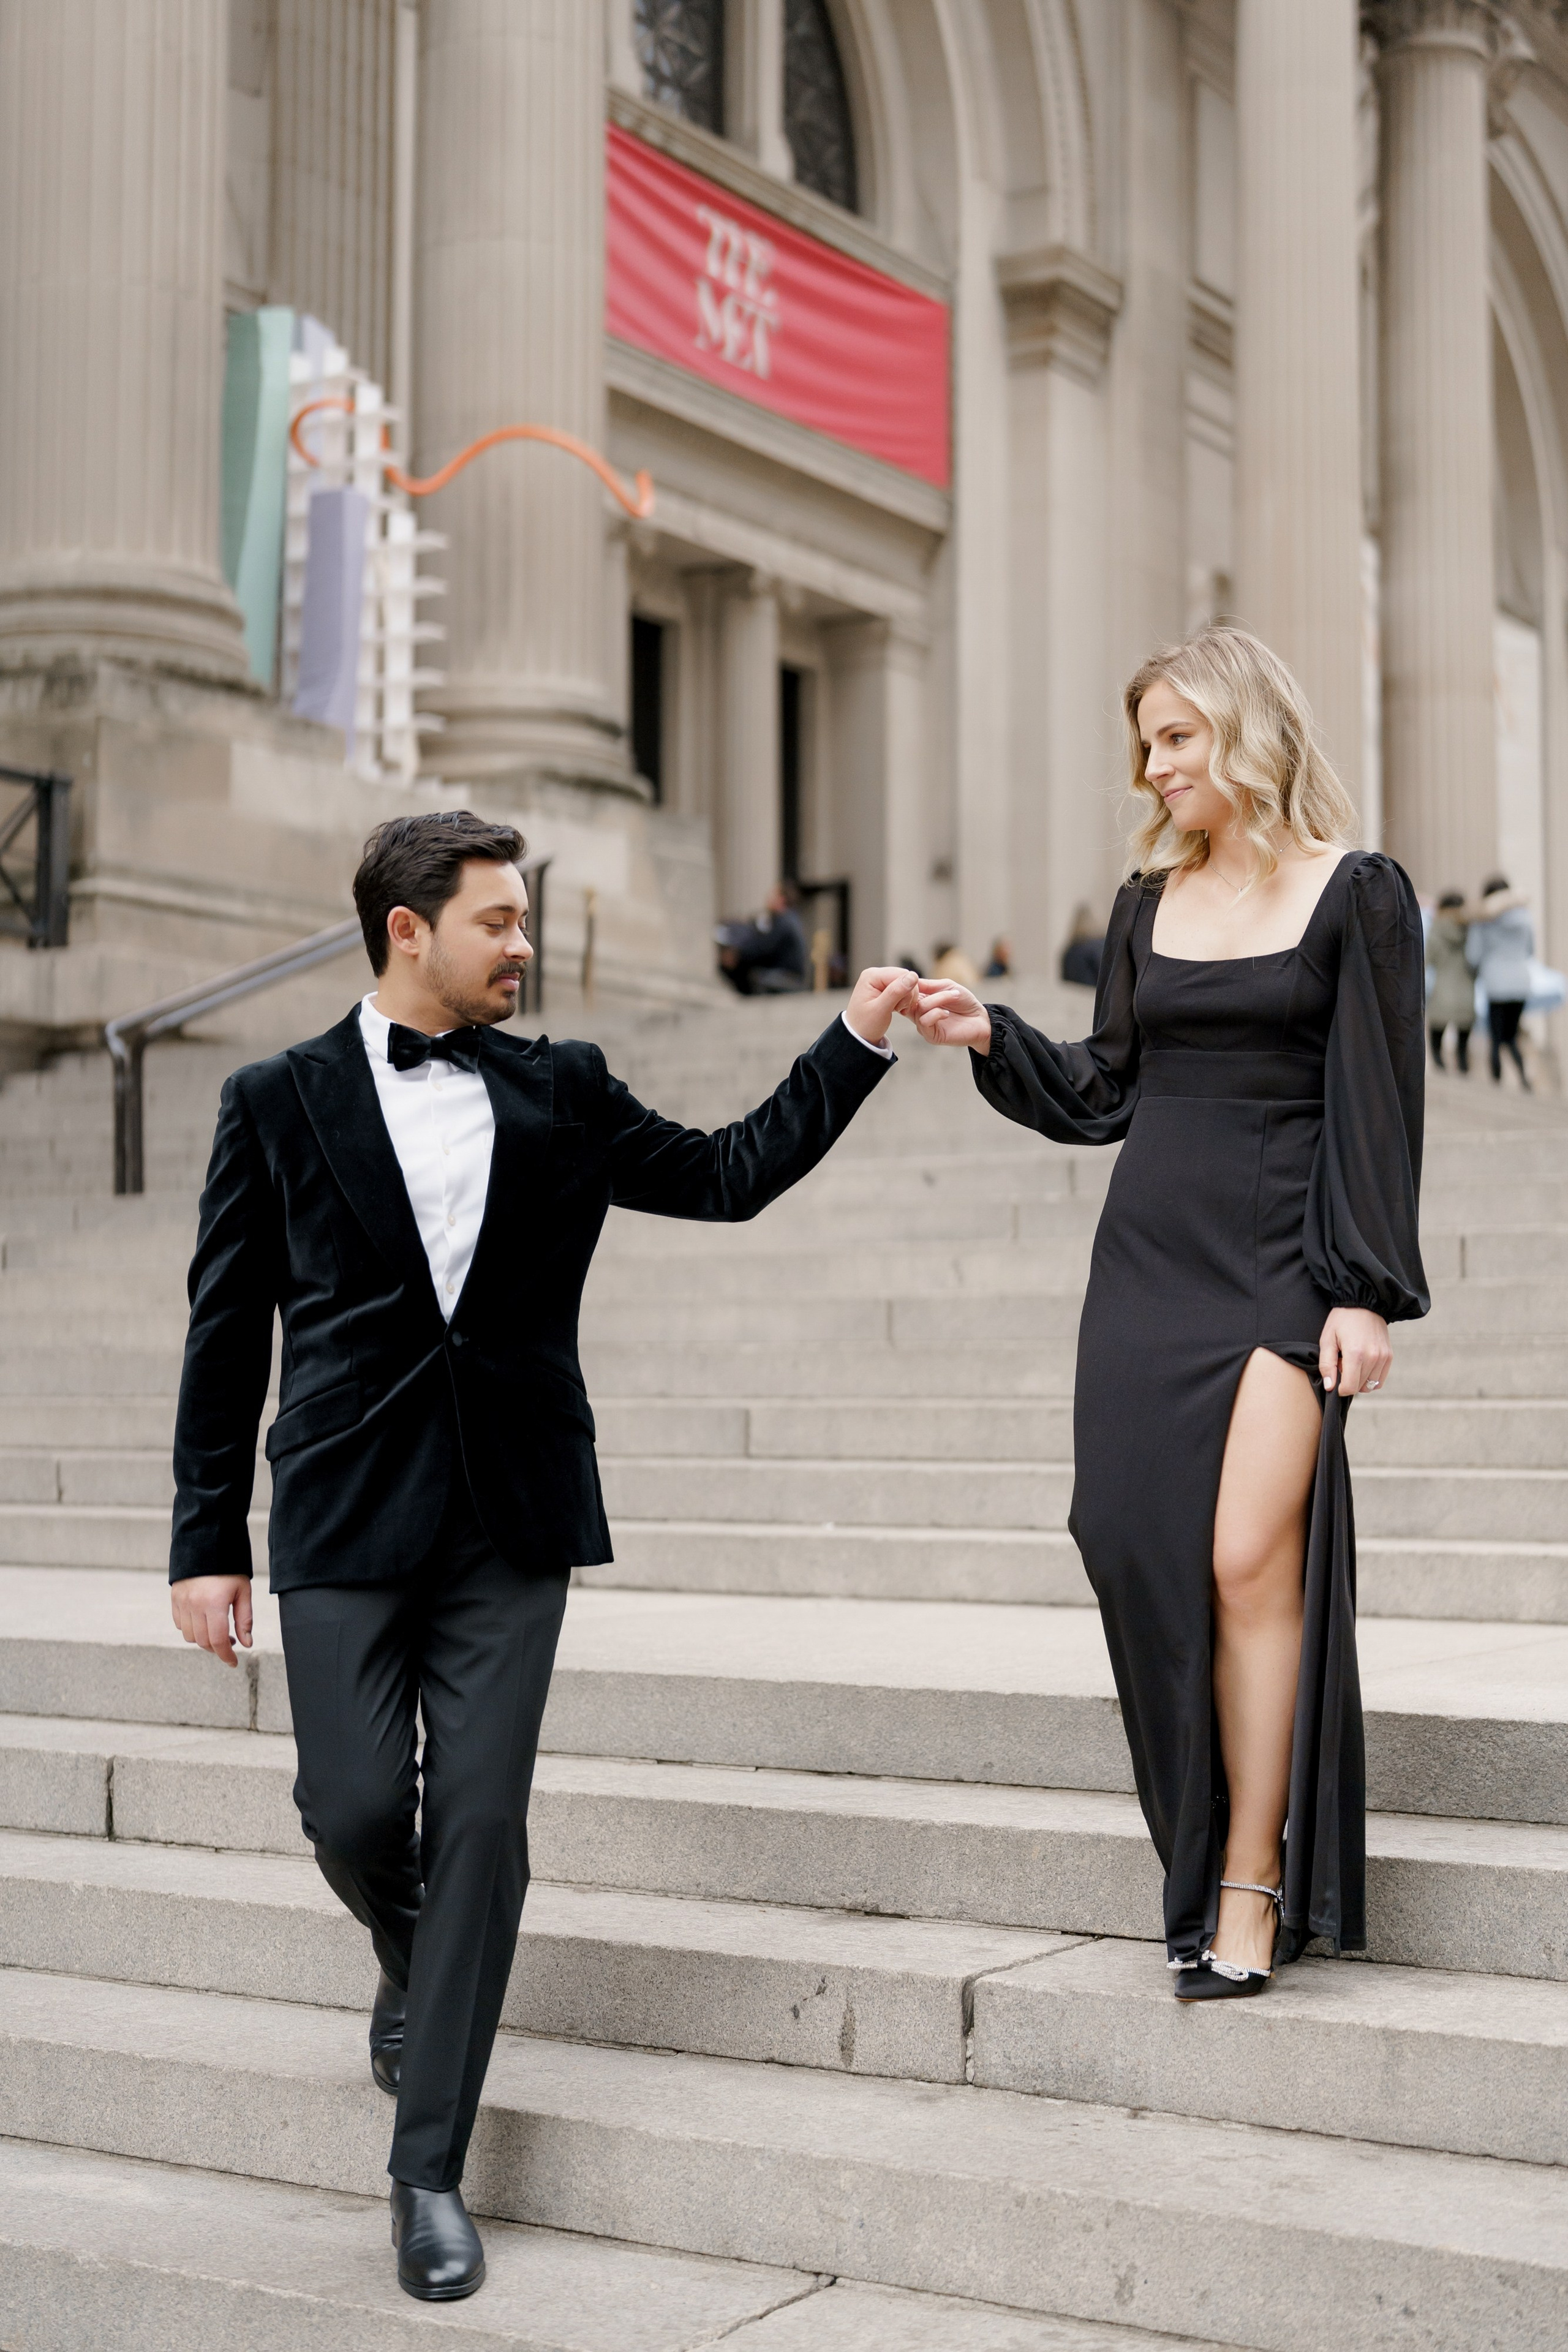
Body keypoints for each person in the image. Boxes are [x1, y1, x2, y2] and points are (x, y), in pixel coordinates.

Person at [168, 810, 913, 2302]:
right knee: (352, 1805)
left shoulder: (560, 1088)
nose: (521, 944)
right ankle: (413, 1958)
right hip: (338, 1509)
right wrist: (204, 1533)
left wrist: (854, 1038)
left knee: (485, 1825)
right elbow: (221, 1326)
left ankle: (425, 2168)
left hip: (510, 1514)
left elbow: (726, 1173)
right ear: (407, 931)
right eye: (496, 922)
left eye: (521, 919)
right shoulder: (273, 1098)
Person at [910, 625, 1427, 1999]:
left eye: (1174, 738)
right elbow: (1106, 1087)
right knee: (1123, 1536)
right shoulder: (1147, 905)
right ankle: (1194, 1838)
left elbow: (1377, 1105)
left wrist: (1363, 1290)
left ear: (1244, 729)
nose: (1151, 767)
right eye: (1143, 743)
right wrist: (992, 1036)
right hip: (1148, 1255)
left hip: (1282, 1261)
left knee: (1247, 1557)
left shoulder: (1356, 894)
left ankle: (1248, 1884)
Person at [1468, 873, 1535, 1090]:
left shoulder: (1484, 921)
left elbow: (1473, 955)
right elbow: (1530, 950)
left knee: (1496, 1038)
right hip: (1522, 983)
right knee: (1512, 1035)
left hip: (1496, 984)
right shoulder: (1525, 917)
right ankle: (1524, 1079)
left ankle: (1496, 1084)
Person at [717, 881, 808, 993]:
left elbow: (763, 947)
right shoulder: (790, 920)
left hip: (785, 977)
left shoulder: (784, 921)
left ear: (782, 900)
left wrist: (737, 955)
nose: (768, 900)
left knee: (747, 973)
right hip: (788, 975)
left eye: (772, 896)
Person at [1427, 890, 1476, 1073]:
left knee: (1437, 1034)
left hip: (1443, 989)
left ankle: (1440, 1065)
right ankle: (1462, 1067)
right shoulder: (1470, 929)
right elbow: (1475, 959)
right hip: (1466, 989)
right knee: (1463, 1042)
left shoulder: (1436, 929)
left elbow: (1427, 959)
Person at [1060, 903, 1106, 989]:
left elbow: (1065, 980)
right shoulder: (1101, 946)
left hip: (1075, 996)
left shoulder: (1070, 951)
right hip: (1093, 994)